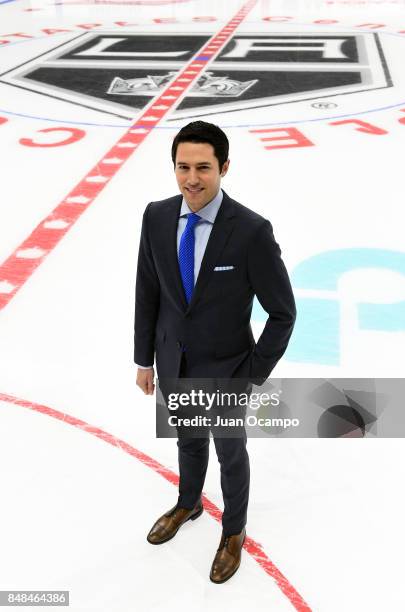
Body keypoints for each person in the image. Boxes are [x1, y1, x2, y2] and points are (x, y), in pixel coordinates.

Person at [134, 120, 296, 584]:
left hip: (228, 372)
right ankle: (188, 503)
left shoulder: (250, 231)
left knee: (230, 455)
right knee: (187, 441)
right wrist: (144, 359)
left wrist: (251, 374)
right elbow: (149, 290)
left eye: (203, 167)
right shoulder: (156, 216)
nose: (191, 178)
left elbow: (283, 313)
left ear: (224, 167)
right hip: (173, 363)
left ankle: (233, 532)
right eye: (182, 167)